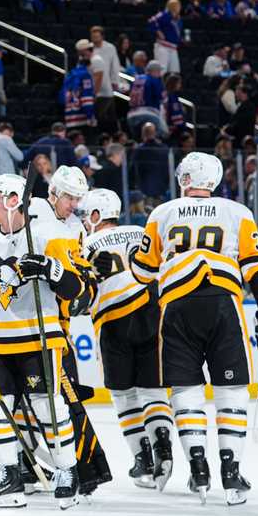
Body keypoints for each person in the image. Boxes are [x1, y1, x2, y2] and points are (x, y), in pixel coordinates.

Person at [129, 152, 258, 505]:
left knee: (186, 389)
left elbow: (142, 273)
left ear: (184, 179)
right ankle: (231, 471)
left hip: (177, 306)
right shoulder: (237, 212)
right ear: (215, 180)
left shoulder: (161, 213)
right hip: (222, 302)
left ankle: (198, 467)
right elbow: (257, 268)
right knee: (231, 391)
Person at [0, 173, 87, 509]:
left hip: (37, 335)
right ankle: (8, 472)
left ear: (14, 199)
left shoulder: (47, 234)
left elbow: (77, 291)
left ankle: (67, 470)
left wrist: (51, 269)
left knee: (47, 404)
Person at [79, 189, 175, 491]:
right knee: (154, 390)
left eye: (86, 215)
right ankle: (162, 442)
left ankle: (142, 458)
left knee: (124, 395)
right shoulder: (141, 230)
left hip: (112, 321)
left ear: (96, 216)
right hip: (153, 312)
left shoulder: (86, 242)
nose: (84, 221)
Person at [63, 40, 96, 137]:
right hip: (82, 119)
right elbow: (87, 99)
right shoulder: (86, 75)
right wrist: (90, 117)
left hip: (69, 117)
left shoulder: (70, 75)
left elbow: (62, 98)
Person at [127, 61, 166, 138]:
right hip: (149, 114)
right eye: (159, 71)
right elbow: (162, 98)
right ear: (154, 71)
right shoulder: (154, 80)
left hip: (132, 115)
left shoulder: (137, 79)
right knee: (160, 136)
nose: (160, 74)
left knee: (138, 140)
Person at [131, 122, 170, 199]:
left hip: (144, 190)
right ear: (155, 133)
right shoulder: (164, 148)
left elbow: (132, 169)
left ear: (143, 134)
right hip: (162, 188)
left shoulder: (139, 150)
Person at [149, 0, 183, 74]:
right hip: (163, 46)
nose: (179, 7)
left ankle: (171, 86)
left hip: (173, 47)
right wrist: (158, 32)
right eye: (178, 5)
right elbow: (152, 21)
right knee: (162, 71)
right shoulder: (164, 14)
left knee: (175, 71)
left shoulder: (178, 18)